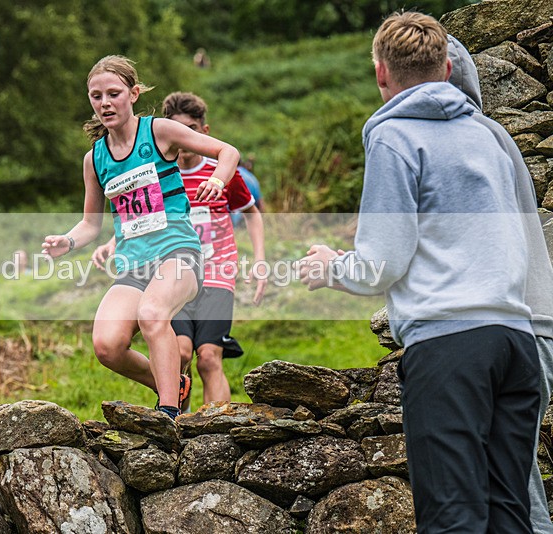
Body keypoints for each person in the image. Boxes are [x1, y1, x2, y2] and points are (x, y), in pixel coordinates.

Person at [298, 12, 539, 532]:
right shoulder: (491, 137)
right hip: (515, 344)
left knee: (453, 517)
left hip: (450, 348)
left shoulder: (395, 138)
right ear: (448, 65)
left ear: (381, 73)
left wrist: (331, 267)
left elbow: (381, 263)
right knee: (509, 518)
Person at [42, 55, 240, 420]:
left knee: (152, 313)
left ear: (133, 94)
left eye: (113, 93)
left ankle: (167, 416)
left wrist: (217, 179)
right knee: (107, 345)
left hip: (178, 254)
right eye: (96, 96)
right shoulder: (95, 159)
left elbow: (227, 151)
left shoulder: (159, 131)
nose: (105, 103)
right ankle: (170, 384)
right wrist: (67, 242)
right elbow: (90, 224)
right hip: (135, 264)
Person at [93, 91, 267, 407]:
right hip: (169, 271)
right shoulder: (159, 173)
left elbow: (252, 213)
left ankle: (215, 431)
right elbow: (141, 219)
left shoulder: (222, 172)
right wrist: (111, 242)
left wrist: (259, 260)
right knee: (182, 351)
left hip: (215, 273)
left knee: (209, 357)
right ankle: (179, 416)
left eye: (190, 129)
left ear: (202, 132)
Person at [448, 34, 553, 534]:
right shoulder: (492, 136)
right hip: (531, 325)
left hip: (514, 329)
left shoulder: (468, 141)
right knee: (508, 482)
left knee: (507, 488)